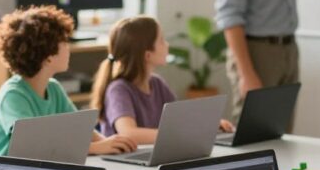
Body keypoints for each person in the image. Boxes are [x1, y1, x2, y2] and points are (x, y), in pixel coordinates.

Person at [0, 5, 137, 156]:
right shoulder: (13, 95)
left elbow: (81, 130)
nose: (69, 48)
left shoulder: (53, 88)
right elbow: (33, 145)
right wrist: (97, 148)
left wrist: (112, 144)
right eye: (65, 43)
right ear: (48, 56)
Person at [89, 16, 232, 143]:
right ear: (148, 55)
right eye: (162, 41)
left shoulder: (157, 83)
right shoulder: (118, 89)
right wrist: (184, 135)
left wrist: (210, 125)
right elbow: (128, 133)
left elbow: (180, 120)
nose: (167, 45)